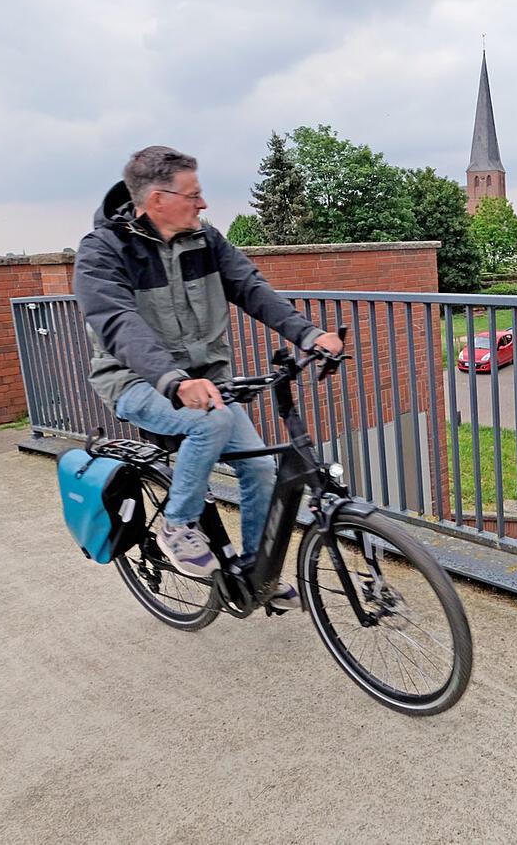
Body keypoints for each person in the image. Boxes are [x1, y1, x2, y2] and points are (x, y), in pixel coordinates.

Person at [73, 145, 344, 591]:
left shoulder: (206, 240)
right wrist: (174, 381)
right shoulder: (103, 252)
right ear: (157, 199)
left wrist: (308, 334)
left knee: (261, 470)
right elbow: (118, 323)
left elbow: (250, 288)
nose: (203, 203)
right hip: (137, 381)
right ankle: (177, 525)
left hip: (208, 382)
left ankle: (257, 574)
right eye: (193, 194)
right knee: (210, 422)